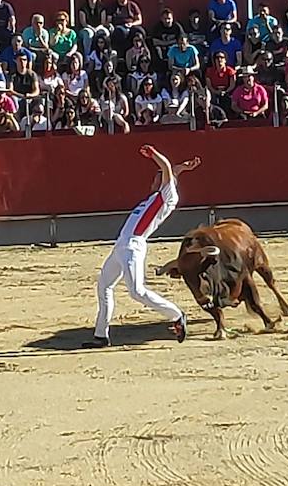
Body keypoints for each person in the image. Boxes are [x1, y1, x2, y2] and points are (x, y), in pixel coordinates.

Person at [82, 145, 200, 348]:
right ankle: (101, 335)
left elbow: (166, 168)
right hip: (121, 246)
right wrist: (182, 167)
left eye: (159, 177)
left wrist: (153, 154)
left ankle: (176, 315)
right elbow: (170, 171)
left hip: (133, 246)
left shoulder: (167, 197)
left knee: (136, 292)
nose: (155, 180)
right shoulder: (154, 198)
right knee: (104, 286)